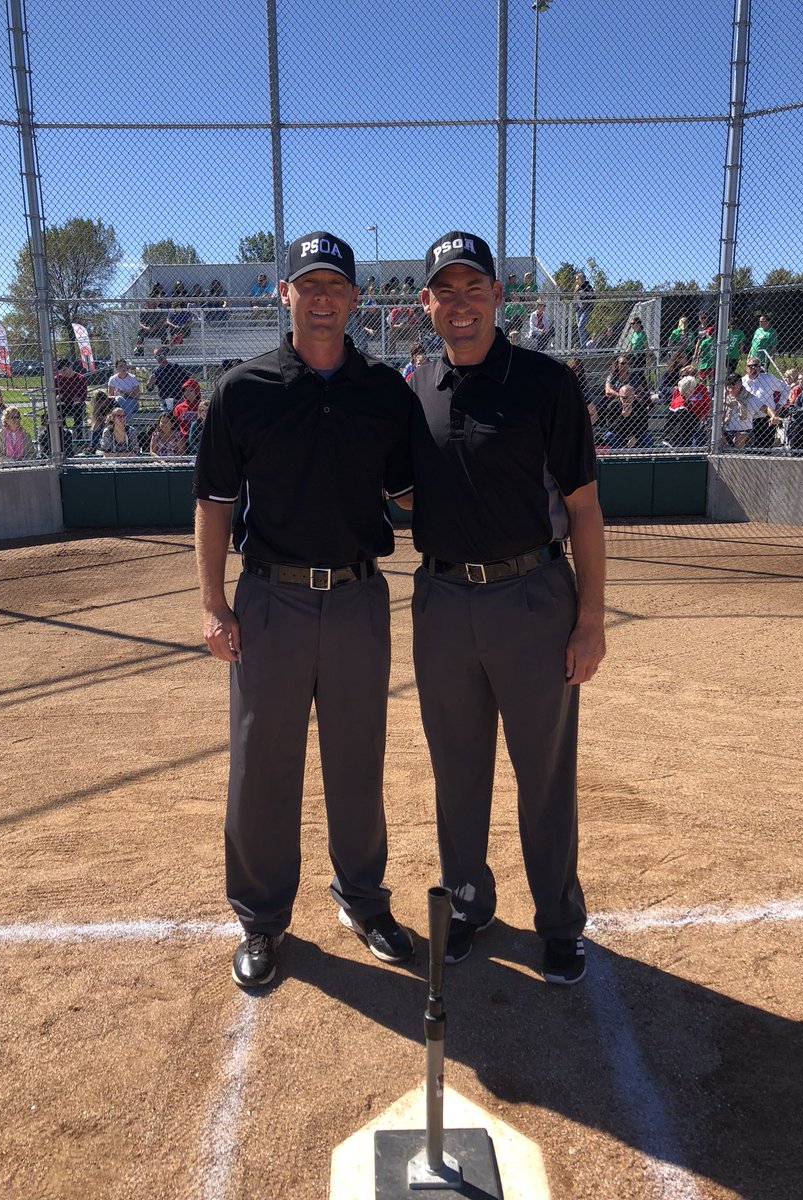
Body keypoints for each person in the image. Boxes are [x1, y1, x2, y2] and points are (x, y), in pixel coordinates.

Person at [193, 230, 414, 990]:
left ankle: (362, 899)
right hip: (271, 598)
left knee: (359, 759)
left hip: (357, 597)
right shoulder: (244, 389)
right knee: (262, 766)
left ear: (354, 299)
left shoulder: (384, 392)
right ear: (283, 294)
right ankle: (261, 919)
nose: (322, 298)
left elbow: (416, 493)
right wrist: (214, 604)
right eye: (307, 285)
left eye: (335, 286)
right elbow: (215, 504)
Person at [402, 231, 605, 985]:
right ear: (427, 303)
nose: (460, 303)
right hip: (444, 597)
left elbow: (584, 508)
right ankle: (466, 903)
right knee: (457, 768)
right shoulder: (415, 387)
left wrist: (589, 619)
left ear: (498, 296)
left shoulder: (547, 383)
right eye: (445, 290)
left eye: (473, 287)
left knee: (544, 772)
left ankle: (558, 921)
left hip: (533, 596)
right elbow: (397, 487)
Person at [742, 356, 786, 450]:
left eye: (756, 366)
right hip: (748, 419)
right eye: (751, 366)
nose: (753, 368)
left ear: (760, 368)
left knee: (765, 449)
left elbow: (786, 389)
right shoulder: (742, 382)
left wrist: (779, 405)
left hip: (766, 418)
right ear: (746, 368)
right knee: (749, 449)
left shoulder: (768, 378)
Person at [146, 347, 188, 413]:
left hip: (177, 397)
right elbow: (150, 389)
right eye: (157, 356)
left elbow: (186, 380)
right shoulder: (155, 370)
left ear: (165, 355)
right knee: (166, 415)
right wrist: (150, 382)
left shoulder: (174, 366)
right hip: (164, 399)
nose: (160, 357)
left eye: (162, 355)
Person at [54, 358, 88, 433]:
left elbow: (83, 396)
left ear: (70, 366)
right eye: (61, 371)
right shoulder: (57, 379)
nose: (63, 373)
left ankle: (78, 432)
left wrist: (75, 398)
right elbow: (55, 394)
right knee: (60, 405)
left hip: (76, 404)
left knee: (77, 405)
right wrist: (57, 397)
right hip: (64, 403)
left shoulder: (80, 378)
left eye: (65, 370)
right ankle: (63, 431)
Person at [573, 270, 594, 347]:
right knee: (580, 328)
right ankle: (584, 343)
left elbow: (593, 298)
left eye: (577, 279)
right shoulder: (577, 288)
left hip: (586, 309)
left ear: (581, 279)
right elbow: (575, 298)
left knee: (580, 326)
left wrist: (584, 297)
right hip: (578, 310)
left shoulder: (588, 287)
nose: (576, 280)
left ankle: (583, 347)